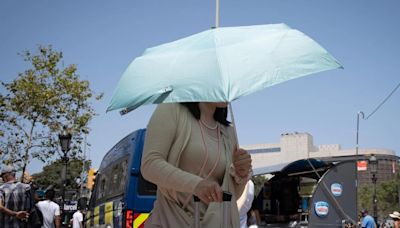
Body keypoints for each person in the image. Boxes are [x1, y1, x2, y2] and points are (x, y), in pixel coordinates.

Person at [141, 102, 252, 227]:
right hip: (172, 220)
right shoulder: (171, 110)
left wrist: (241, 174)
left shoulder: (229, 132)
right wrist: (196, 185)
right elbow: (150, 164)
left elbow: (231, 196)